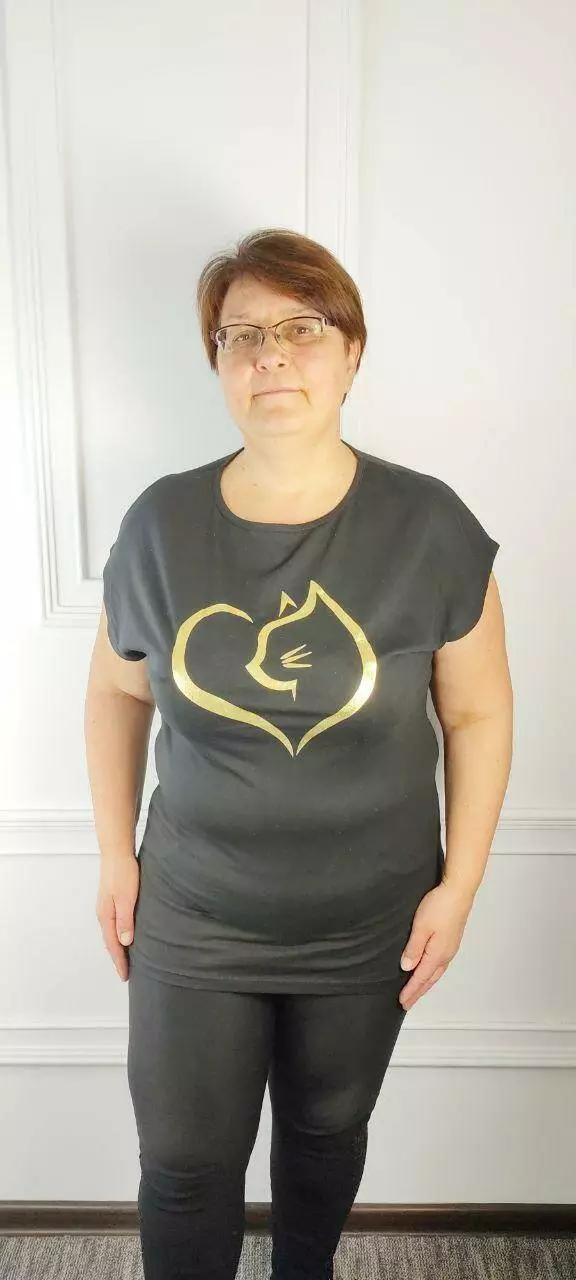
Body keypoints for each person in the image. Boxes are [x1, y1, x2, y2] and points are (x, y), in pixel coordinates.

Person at [85, 227, 513, 1280]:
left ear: (352, 351)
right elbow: (115, 690)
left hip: (368, 918)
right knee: (185, 1165)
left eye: (302, 327)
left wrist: (460, 886)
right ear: (218, 364)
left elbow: (478, 716)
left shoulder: (429, 524)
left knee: (324, 1140)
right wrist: (112, 855)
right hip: (195, 910)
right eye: (241, 335)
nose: (270, 353)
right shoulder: (161, 523)